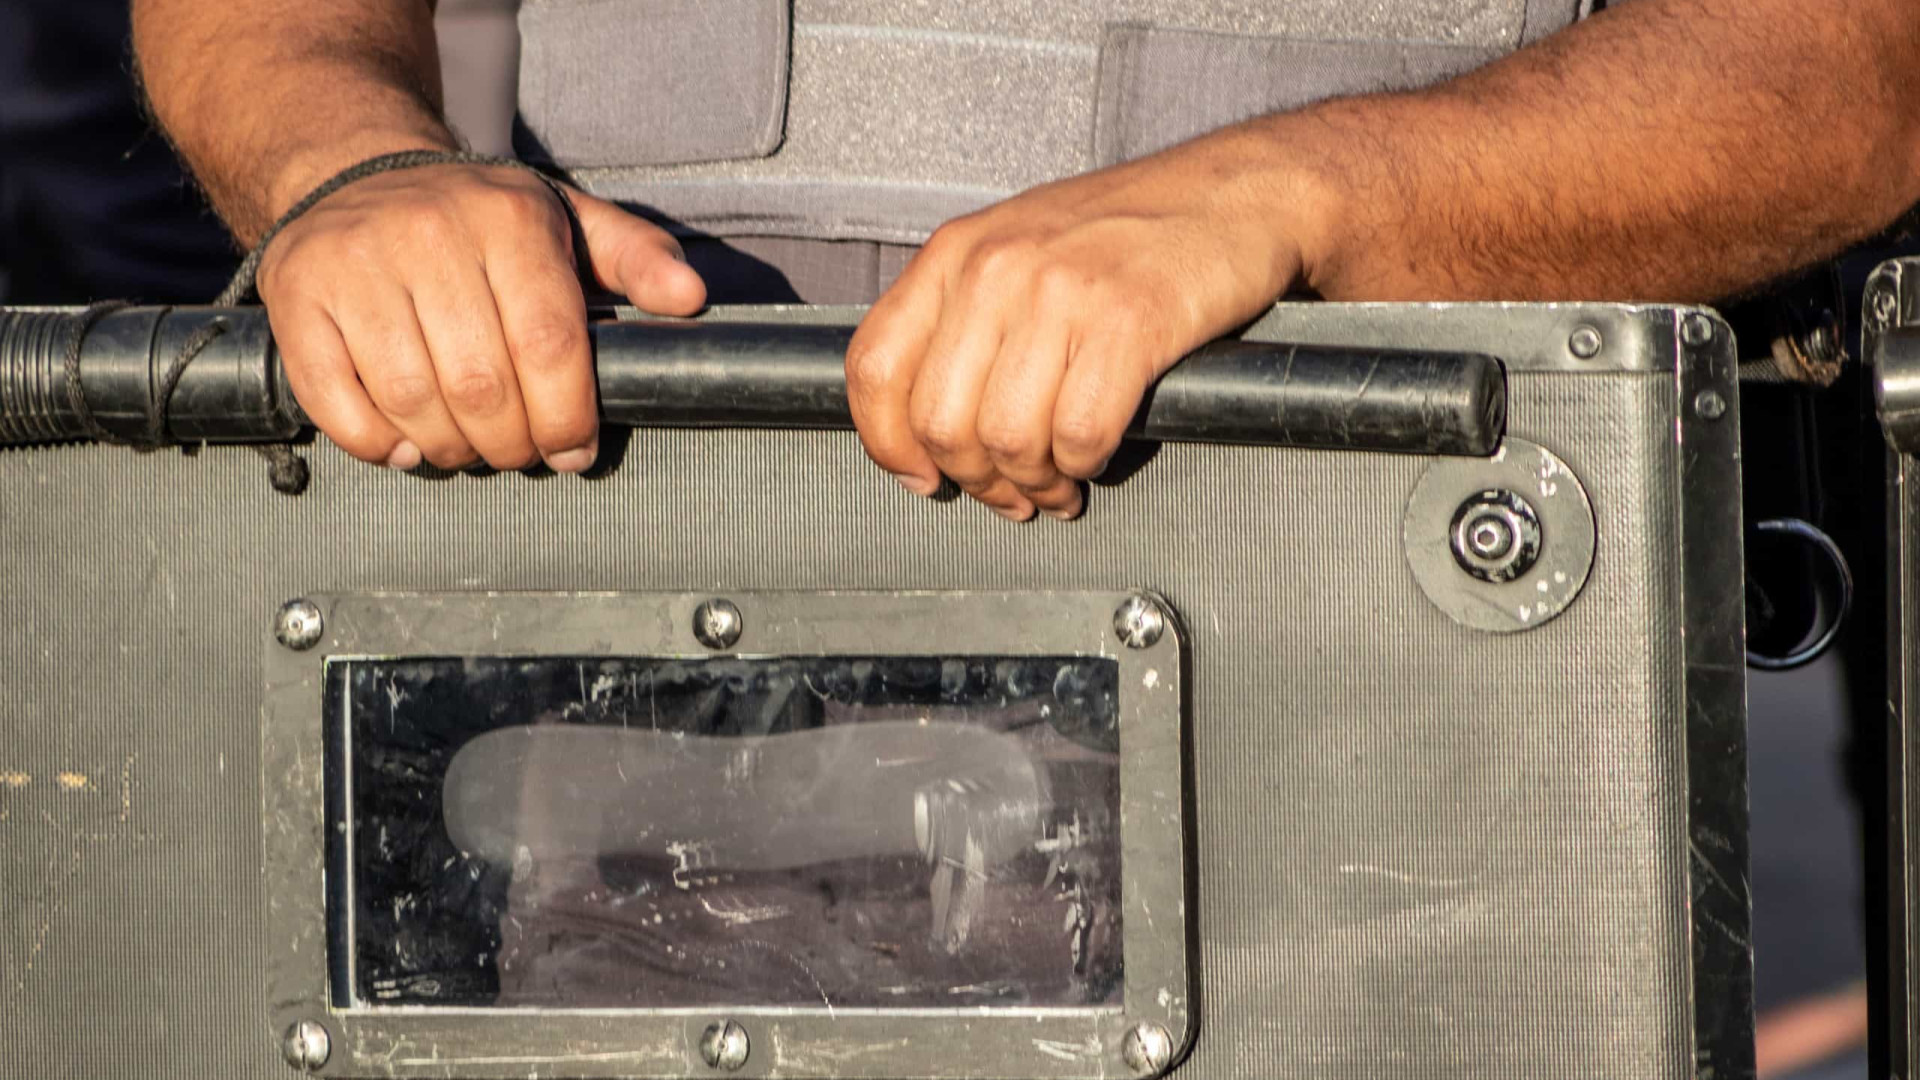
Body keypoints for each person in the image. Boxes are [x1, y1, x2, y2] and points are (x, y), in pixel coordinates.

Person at [131, 0, 1920, 523]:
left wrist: (1304, 192)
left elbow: (1849, 72)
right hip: (608, 634)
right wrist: (348, 166)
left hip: (1381, 641)